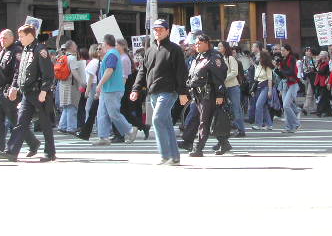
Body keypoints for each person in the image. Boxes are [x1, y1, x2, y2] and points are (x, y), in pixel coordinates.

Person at [0, 24, 56, 162]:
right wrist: (16, 87)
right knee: (21, 122)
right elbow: (20, 72)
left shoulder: (40, 50)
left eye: (22, 36)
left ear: (30, 35)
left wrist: (44, 91)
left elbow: (48, 73)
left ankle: (50, 153)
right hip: (27, 93)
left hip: (38, 93)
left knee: (45, 123)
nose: (20, 39)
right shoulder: (25, 50)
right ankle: (11, 152)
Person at [131, 19, 187, 164]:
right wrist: (136, 89)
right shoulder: (149, 50)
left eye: (161, 29)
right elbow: (142, 71)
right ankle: (174, 157)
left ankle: (165, 155)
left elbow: (182, 72)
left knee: (156, 119)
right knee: (166, 123)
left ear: (167, 31)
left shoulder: (175, 49)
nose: (158, 32)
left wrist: (182, 92)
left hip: (169, 91)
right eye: (155, 29)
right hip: (153, 91)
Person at [0, 29, 39, 159]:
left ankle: (33, 143)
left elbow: (18, 71)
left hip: (8, 91)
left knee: (16, 121)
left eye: (5, 38)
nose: (2, 40)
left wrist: (14, 87)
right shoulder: (2, 51)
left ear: (11, 38)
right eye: (1, 38)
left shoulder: (16, 51)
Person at [185, 33, 229, 157]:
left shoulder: (214, 57)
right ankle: (224, 143)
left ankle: (198, 148)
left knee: (204, 121)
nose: (196, 45)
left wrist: (220, 95)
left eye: (199, 43)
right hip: (198, 95)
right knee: (208, 120)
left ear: (207, 43)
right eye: (196, 43)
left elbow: (219, 77)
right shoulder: (198, 57)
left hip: (210, 94)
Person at [92, 34, 139, 146]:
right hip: (109, 89)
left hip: (112, 89)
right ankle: (103, 137)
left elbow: (109, 70)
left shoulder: (112, 54)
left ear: (106, 43)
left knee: (113, 113)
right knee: (102, 113)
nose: (101, 46)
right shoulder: (112, 54)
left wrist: (100, 84)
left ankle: (130, 130)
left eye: (102, 43)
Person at [217, 41, 245, 138]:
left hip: (233, 86)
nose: (218, 47)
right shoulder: (219, 58)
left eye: (220, 46)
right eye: (218, 46)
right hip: (224, 87)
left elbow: (234, 72)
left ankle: (241, 130)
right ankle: (229, 128)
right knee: (226, 108)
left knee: (236, 108)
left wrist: (223, 78)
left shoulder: (230, 58)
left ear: (225, 47)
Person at [57, 40, 85, 136]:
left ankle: (62, 126)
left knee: (66, 106)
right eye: (75, 45)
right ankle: (71, 128)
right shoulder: (72, 58)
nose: (76, 46)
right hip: (71, 84)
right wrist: (81, 82)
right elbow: (74, 71)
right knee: (72, 106)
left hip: (63, 83)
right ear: (71, 47)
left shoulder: (62, 57)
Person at [77, 44, 101, 141]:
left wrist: (87, 90)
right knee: (93, 109)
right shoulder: (97, 61)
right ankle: (90, 128)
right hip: (94, 85)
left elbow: (91, 77)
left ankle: (88, 128)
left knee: (89, 108)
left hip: (92, 86)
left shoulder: (93, 62)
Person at [279, 44, 301, 133]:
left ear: (288, 51)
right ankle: (289, 127)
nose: (282, 52)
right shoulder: (283, 60)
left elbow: (291, 71)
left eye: (283, 50)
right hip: (285, 84)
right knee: (287, 106)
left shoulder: (291, 58)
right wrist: (278, 69)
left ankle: (296, 124)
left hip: (293, 83)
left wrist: (281, 70)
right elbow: (281, 74)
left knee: (286, 105)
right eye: (281, 50)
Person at [252, 50, 274, 130]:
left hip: (265, 86)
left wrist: (270, 90)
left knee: (259, 105)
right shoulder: (258, 66)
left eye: (258, 56)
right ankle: (269, 124)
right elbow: (255, 77)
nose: (257, 57)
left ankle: (258, 124)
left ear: (262, 57)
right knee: (263, 106)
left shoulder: (267, 67)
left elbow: (270, 79)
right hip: (259, 86)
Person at [314, 51, 332, 117]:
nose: (319, 55)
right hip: (320, 82)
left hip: (325, 82)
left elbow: (321, 72)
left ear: (324, 56)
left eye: (321, 54)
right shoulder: (321, 63)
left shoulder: (326, 64)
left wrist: (317, 69)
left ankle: (319, 111)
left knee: (323, 98)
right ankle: (329, 112)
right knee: (325, 98)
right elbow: (316, 69)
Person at [301, 47, 317, 114]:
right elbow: (304, 68)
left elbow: (314, 68)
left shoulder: (314, 58)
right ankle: (314, 108)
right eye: (306, 51)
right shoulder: (305, 59)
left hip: (313, 77)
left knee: (310, 93)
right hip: (307, 77)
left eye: (308, 51)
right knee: (310, 93)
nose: (307, 52)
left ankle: (305, 107)